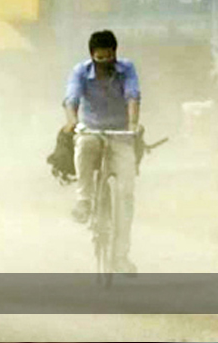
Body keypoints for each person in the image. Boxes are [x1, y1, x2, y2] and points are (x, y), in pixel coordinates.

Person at [62, 29, 142, 274]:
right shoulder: (80, 72)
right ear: (92, 56)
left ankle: (120, 257)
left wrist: (132, 125)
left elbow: (133, 96)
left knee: (126, 193)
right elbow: (71, 98)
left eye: (108, 58)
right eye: (99, 59)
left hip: (120, 132)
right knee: (84, 145)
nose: (104, 63)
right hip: (92, 130)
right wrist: (72, 121)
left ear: (115, 55)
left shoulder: (127, 69)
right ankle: (84, 200)